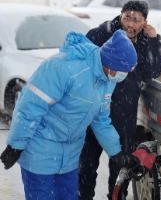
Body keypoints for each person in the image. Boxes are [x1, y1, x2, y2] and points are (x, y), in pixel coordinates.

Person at [0, 29, 138, 200]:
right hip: (40, 150)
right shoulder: (62, 67)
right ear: (111, 66)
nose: (123, 75)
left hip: (70, 157)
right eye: (123, 70)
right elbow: (29, 108)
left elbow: (101, 119)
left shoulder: (107, 80)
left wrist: (116, 153)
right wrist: (16, 145)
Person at [79, 0, 161, 200]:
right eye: (127, 18)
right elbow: (84, 50)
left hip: (123, 117)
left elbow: (153, 71)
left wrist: (154, 40)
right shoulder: (105, 33)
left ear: (145, 22)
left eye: (136, 20)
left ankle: (117, 197)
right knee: (86, 167)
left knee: (120, 169)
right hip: (95, 112)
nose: (130, 24)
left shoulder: (145, 41)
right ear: (120, 15)